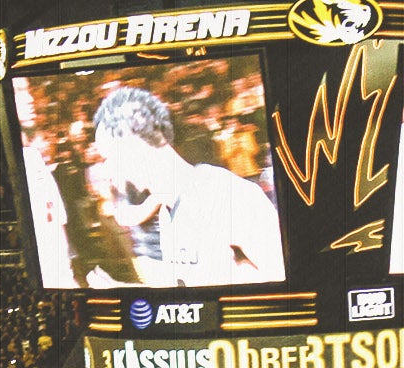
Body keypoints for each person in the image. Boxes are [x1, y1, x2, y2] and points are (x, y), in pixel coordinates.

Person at [85, 85, 284, 288]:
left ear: (135, 142)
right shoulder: (166, 211)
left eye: (110, 156)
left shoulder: (227, 193)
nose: (108, 170)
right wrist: (122, 290)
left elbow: (284, 286)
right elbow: (183, 293)